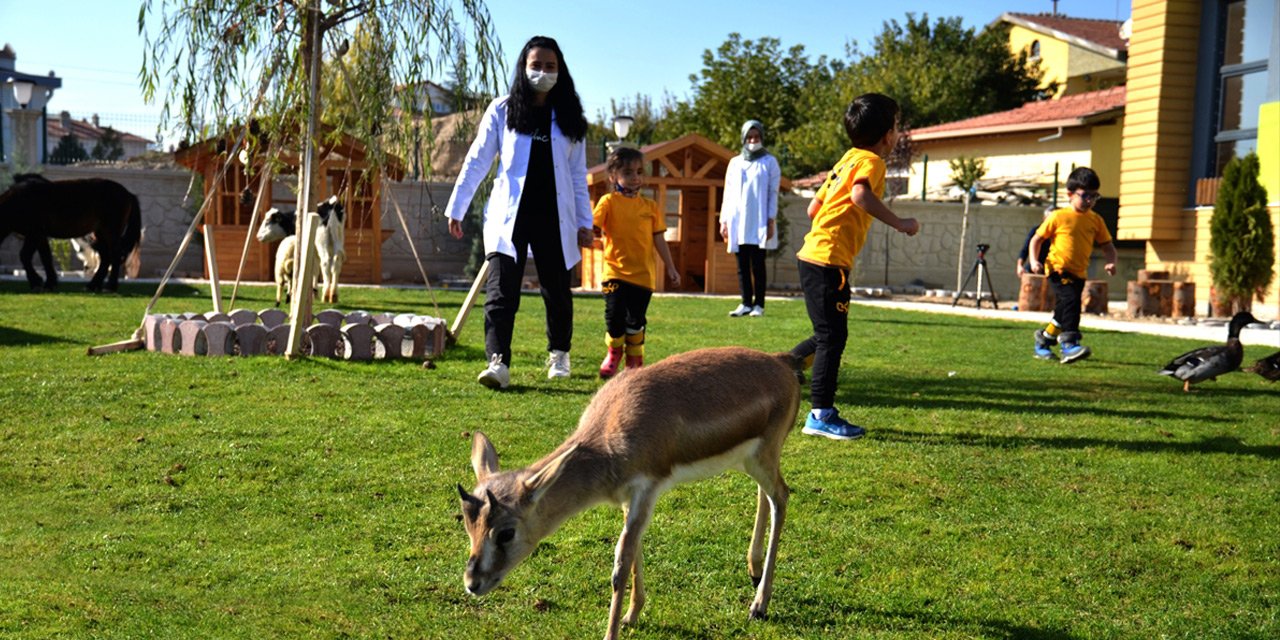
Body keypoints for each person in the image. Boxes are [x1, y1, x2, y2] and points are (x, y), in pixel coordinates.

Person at [445, 36, 593, 389]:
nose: (543, 72)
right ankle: (498, 362)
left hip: (554, 217)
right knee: (500, 291)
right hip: (509, 216)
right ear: (523, 68)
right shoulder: (502, 110)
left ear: (561, 71)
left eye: (550, 66)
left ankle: (559, 352)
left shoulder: (570, 119)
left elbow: (576, 176)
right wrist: (458, 207)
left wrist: (585, 223)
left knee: (557, 290)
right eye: (536, 65)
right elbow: (477, 160)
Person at [789, 93, 920, 441]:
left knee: (827, 333)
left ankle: (785, 368)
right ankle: (821, 414)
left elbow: (812, 210)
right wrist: (900, 222)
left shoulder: (846, 159)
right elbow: (860, 196)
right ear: (887, 135)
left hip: (813, 256)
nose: (896, 133)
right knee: (833, 336)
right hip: (830, 260)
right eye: (896, 126)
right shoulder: (873, 163)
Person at [591, 146, 681, 378]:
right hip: (614, 273)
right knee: (613, 317)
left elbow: (659, 240)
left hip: (643, 277)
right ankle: (613, 354)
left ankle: (634, 360)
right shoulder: (608, 202)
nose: (635, 178)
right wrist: (584, 235)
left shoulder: (650, 208)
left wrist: (671, 268)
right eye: (628, 172)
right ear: (613, 176)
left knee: (636, 321)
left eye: (639, 172)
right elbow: (593, 228)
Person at [1027, 166, 1118, 364]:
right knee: (1072, 303)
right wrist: (1034, 261)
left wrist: (1111, 262)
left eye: (1094, 196)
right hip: (1058, 269)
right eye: (1085, 195)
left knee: (1064, 310)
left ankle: (1043, 341)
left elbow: (1108, 246)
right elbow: (1036, 239)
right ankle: (1069, 344)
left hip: (1079, 273)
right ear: (1070, 194)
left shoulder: (1096, 220)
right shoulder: (1058, 216)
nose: (1089, 201)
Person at [719, 120, 782, 317]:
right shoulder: (735, 163)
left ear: (762, 138)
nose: (753, 140)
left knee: (757, 264)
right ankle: (745, 302)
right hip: (738, 221)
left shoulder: (769, 162)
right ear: (744, 138)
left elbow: (773, 192)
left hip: (759, 221)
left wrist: (771, 219)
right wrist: (724, 221)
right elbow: (727, 194)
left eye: (756, 137)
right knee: (742, 265)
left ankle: (759, 304)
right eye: (749, 137)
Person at [1016, 208, 1053, 277]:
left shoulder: (1060, 234)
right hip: (1035, 269)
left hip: (1052, 271)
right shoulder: (1036, 231)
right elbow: (1025, 249)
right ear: (1044, 219)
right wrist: (1019, 265)